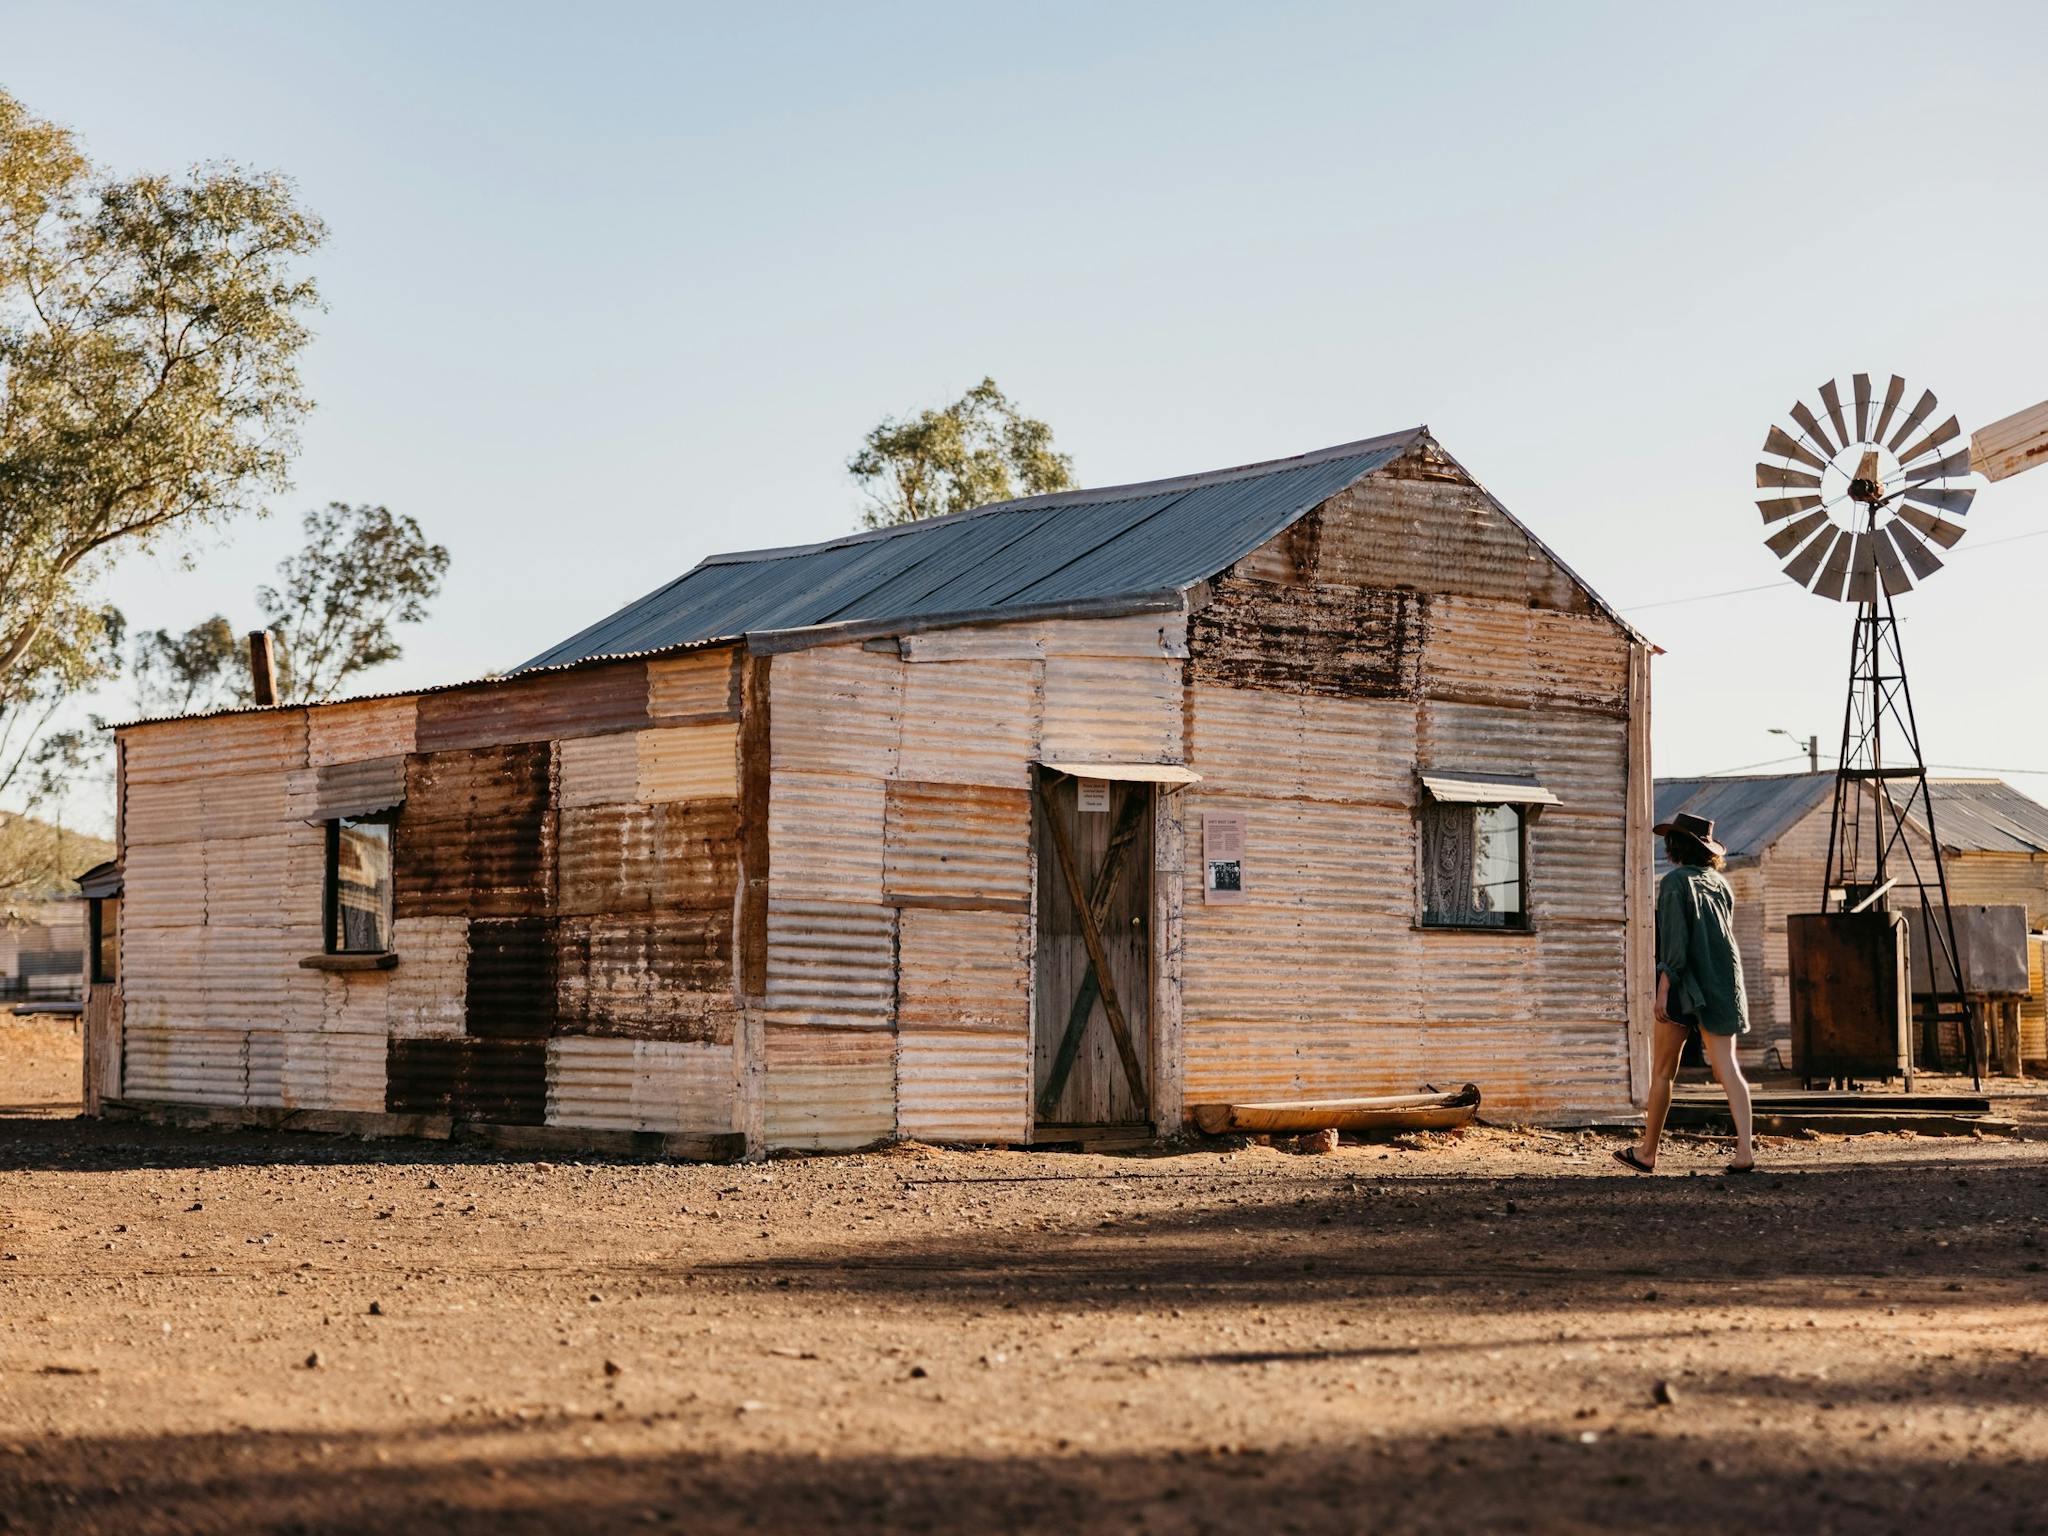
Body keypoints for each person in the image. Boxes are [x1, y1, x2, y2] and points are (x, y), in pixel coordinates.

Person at [1615, 810, 1756, 1175]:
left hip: (1684, 984)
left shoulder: (1676, 882)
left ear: (1676, 845)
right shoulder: (1720, 884)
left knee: (1663, 1071)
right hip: (1722, 980)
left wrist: (1663, 988)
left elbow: (1675, 944)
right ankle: (1744, 1151)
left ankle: (1647, 1153)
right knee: (1728, 1068)